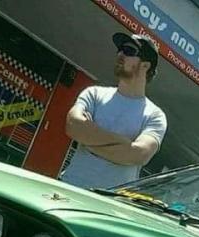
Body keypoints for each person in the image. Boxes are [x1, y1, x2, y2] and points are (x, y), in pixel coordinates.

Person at [59, 33, 167, 189]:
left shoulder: (155, 115)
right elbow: (73, 126)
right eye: (120, 50)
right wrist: (124, 143)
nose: (120, 54)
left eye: (129, 50)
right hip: (69, 188)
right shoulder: (94, 94)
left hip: (110, 204)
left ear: (145, 65)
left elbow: (138, 154)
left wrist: (88, 138)